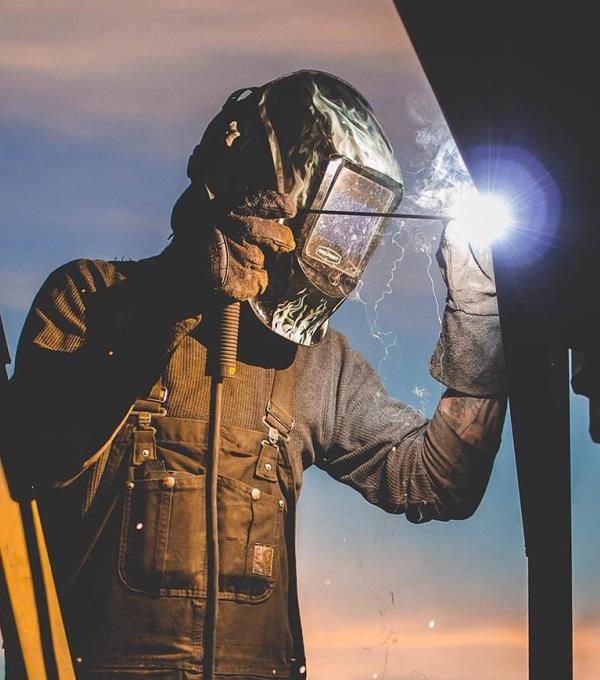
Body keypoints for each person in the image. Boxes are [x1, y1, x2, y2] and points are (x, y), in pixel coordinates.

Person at [2, 71, 506, 679]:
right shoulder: (92, 298)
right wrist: (176, 301)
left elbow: (440, 483)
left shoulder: (318, 362)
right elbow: (37, 455)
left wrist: (481, 318)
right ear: (258, 183)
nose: (339, 247)